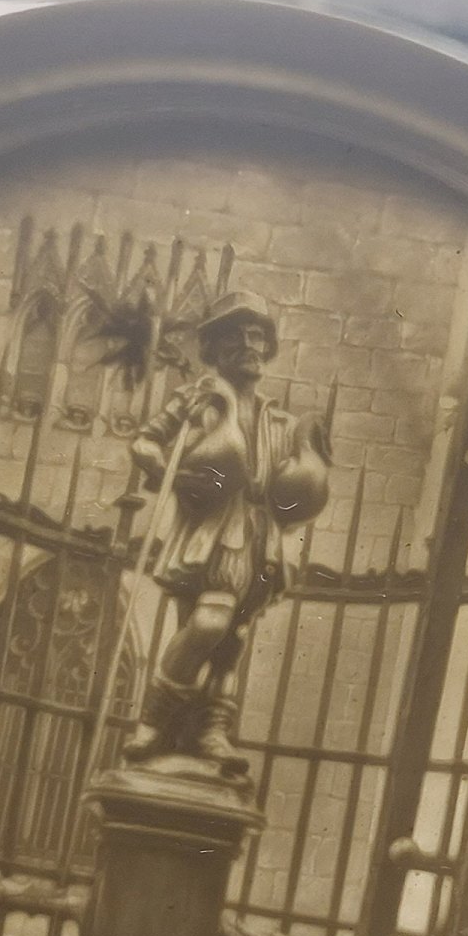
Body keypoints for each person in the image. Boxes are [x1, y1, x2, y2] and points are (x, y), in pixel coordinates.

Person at [122, 290, 330, 776]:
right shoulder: (198, 397)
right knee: (208, 624)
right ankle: (154, 721)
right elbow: (144, 443)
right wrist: (169, 473)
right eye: (236, 335)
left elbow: (291, 490)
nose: (249, 345)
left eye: (257, 336)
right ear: (214, 347)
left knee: (231, 640)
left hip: (260, 534)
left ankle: (211, 731)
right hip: (212, 529)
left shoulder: (278, 417)